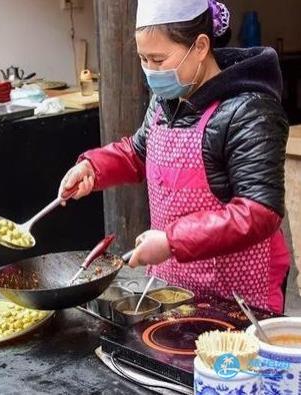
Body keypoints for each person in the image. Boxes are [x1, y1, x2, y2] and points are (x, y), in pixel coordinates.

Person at [59, 0, 290, 313]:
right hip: (174, 287)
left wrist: (172, 241)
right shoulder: (167, 100)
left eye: (159, 59)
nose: (151, 72)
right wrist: (93, 167)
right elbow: (137, 152)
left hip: (239, 294)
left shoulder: (249, 110)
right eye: (143, 60)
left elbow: (259, 211)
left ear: (200, 46)